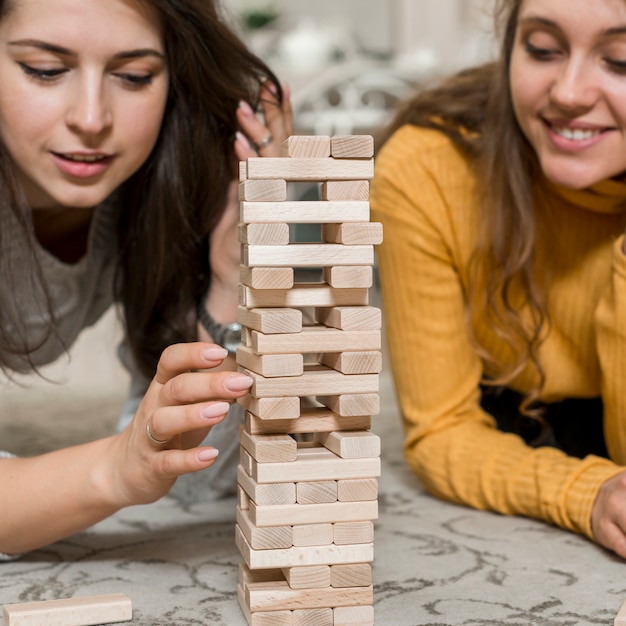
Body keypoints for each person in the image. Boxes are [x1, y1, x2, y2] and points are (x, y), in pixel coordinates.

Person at [0, 0, 292, 557]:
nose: (91, 117)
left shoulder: (158, 184)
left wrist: (233, 281)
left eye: (134, 77)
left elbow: (195, 479)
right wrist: (115, 469)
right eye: (44, 69)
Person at [371, 0, 626, 559]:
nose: (569, 91)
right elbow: (441, 432)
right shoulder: (426, 171)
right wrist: (584, 493)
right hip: (511, 485)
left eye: (621, 61)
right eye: (542, 49)